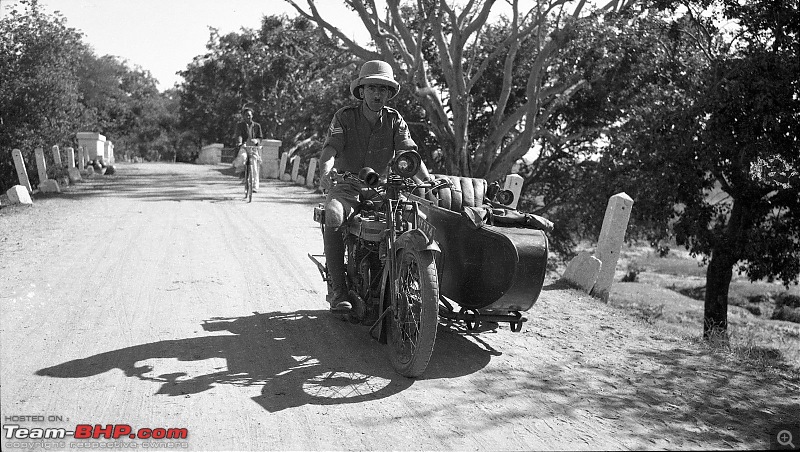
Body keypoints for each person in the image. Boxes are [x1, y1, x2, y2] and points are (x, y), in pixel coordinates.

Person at [320, 60, 433, 311]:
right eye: (372, 88)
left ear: (389, 94)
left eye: (383, 89)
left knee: (413, 218)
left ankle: (409, 284)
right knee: (334, 214)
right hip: (348, 186)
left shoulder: (395, 120)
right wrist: (327, 173)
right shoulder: (345, 117)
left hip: (384, 189)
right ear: (362, 91)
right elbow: (330, 151)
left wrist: (428, 184)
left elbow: (410, 157)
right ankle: (338, 291)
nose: (377, 94)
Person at [234, 107, 264, 192]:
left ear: (252, 116)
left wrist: (256, 140)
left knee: (254, 165)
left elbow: (260, 137)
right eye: (246, 115)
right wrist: (240, 142)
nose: (248, 117)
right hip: (244, 146)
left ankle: (254, 186)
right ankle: (243, 174)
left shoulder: (257, 126)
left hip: (254, 148)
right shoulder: (240, 125)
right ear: (243, 116)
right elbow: (239, 135)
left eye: (249, 115)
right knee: (243, 158)